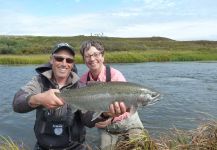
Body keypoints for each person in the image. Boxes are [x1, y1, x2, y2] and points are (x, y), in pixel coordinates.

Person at [13, 42, 127, 150]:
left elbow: (88, 120)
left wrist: (105, 113)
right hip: (44, 146)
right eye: (59, 58)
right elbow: (17, 103)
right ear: (51, 60)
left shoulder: (81, 86)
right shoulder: (39, 81)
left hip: (75, 147)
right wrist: (37, 99)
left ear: (72, 64)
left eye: (69, 60)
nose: (64, 63)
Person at [79, 40, 144, 149]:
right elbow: (87, 113)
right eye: (87, 56)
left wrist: (111, 119)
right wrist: (97, 120)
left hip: (129, 121)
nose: (92, 59)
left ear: (103, 57)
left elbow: (130, 108)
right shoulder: (83, 81)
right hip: (106, 127)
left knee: (140, 146)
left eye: (96, 54)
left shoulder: (115, 75)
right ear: (84, 60)